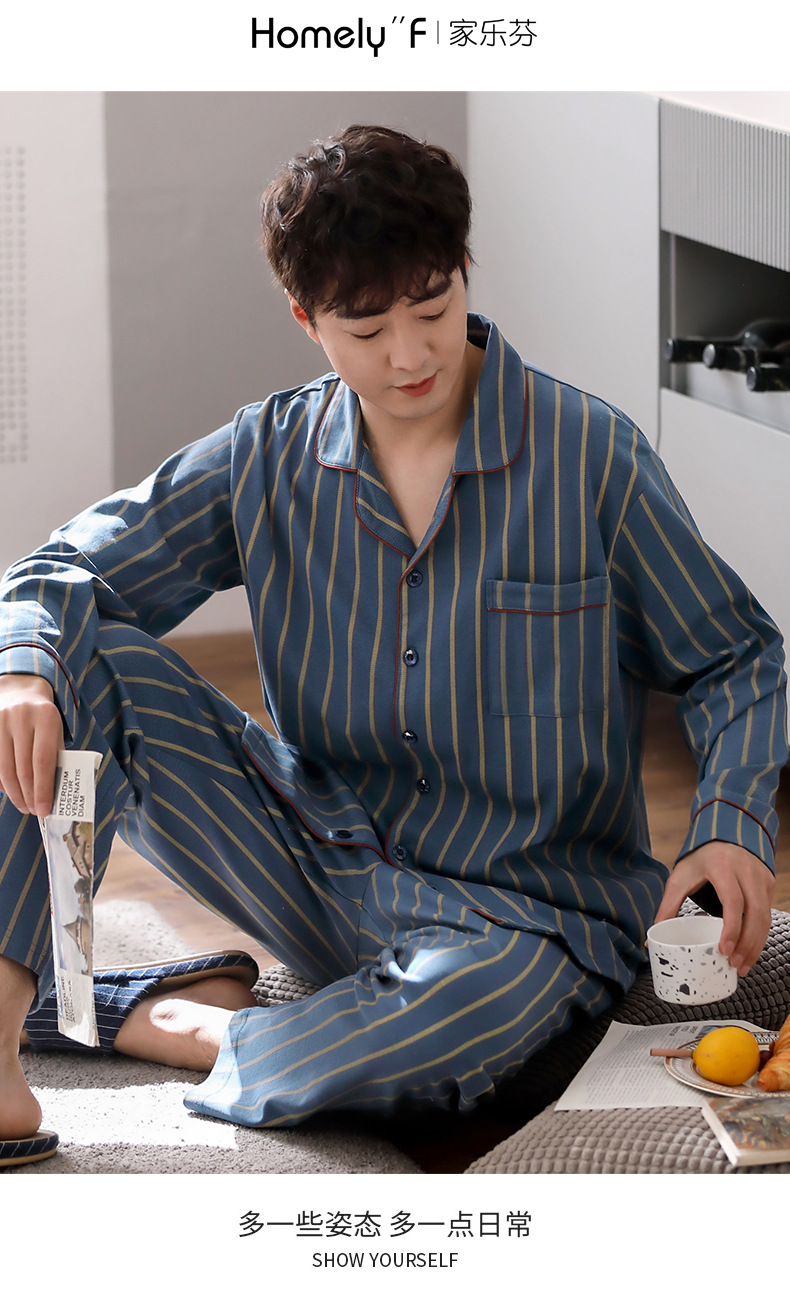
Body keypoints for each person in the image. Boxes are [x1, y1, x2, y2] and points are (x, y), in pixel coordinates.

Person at [0, 124, 786, 1160]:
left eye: (432, 308)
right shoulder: (265, 455)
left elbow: (734, 656)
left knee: (474, 1018)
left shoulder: (589, 457)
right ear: (306, 318)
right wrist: (24, 672)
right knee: (53, 659)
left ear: (462, 272)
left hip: (526, 923)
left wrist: (731, 824)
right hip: (317, 863)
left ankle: (178, 1024)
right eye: (366, 329)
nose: (410, 355)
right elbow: (61, 568)